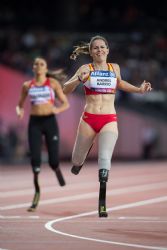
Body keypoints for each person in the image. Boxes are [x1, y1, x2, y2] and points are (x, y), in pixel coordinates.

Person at [63, 35, 152, 217]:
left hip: (109, 119)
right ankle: (82, 156)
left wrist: (139, 89)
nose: (100, 50)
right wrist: (78, 80)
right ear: (90, 52)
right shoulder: (85, 68)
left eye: (102, 47)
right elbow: (65, 89)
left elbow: (120, 83)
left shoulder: (114, 68)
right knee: (76, 161)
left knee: (104, 158)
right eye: (95, 48)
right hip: (89, 119)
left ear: (108, 50)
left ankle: (102, 202)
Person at [16, 57, 69, 211]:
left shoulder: (53, 83)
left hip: (50, 122)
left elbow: (66, 103)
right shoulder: (27, 85)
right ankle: (36, 194)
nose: (38, 66)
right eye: (36, 64)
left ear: (46, 69)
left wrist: (57, 110)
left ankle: (56, 168)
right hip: (35, 124)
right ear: (33, 68)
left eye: (41, 64)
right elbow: (19, 105)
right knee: (36, 161)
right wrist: (19, 111)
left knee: (52, 161)